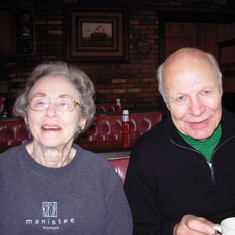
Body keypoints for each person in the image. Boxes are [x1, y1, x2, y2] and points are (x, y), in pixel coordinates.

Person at [0, 62, 132, 235]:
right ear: (26, 115)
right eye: (40, 102)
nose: (51, 112)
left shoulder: (100, 173)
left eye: (64, 103)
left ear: (82, 119)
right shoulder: (4, 169)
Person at [124, 47, 235, 235]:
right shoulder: (147, 153)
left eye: (206, 92)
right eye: (181, 97)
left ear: (221, 89)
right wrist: (174, 231)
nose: (197, 110)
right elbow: (134, 229)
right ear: (167, 102)